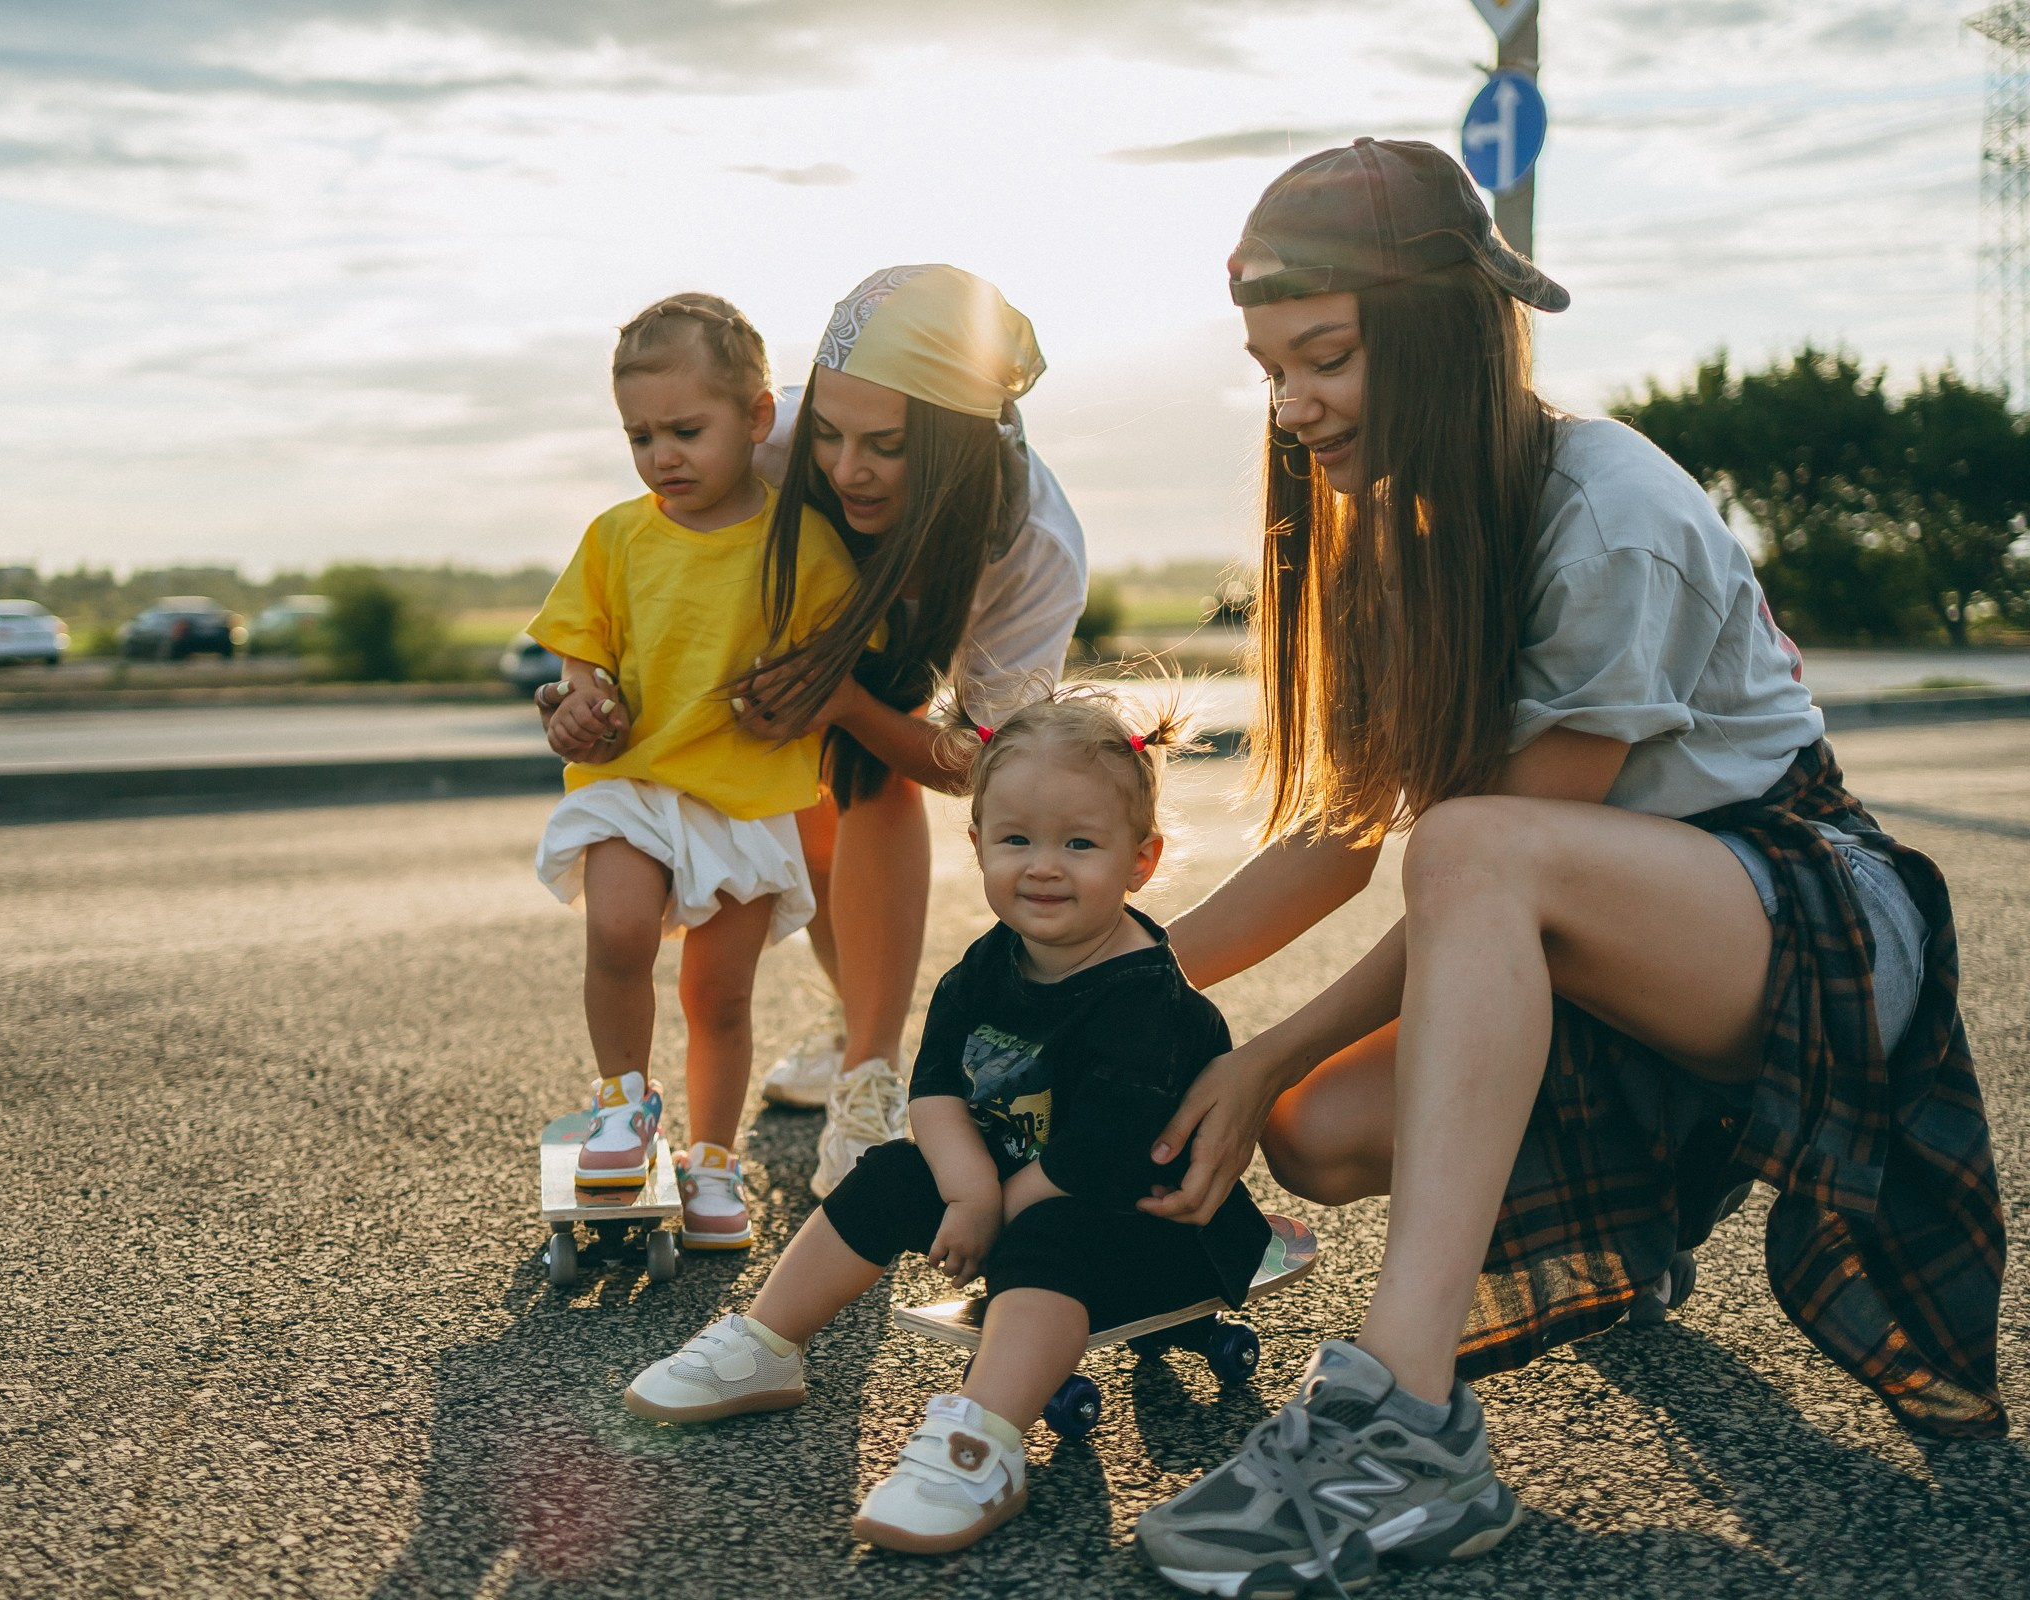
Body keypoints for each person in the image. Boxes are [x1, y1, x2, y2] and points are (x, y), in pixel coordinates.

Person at [1126, 140, 2007, 1597]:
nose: (1293, 409)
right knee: (1312, 1131)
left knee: (1465, 856)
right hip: (1615, 934)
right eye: (1271, 370)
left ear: (1441, 328)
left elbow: (1488, 868)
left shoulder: (1605, 508)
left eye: (1325, 358)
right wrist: (1113, 988)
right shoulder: (1398, 521)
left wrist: (1270, 1031)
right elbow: (1338, 837)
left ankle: (1403, 1422)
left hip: (1806, 915)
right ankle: (1646, 1201)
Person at [620, 689, 1272, 1556]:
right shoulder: (986, 965)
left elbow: (1102, 1159)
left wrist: (991, 1207)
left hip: (1146, 1228)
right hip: (1011, 1191)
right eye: (1017, 840)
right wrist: (967, 1193)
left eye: (1080, 843)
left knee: (1055, 1238)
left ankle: (981, 1444)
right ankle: (768, 1344)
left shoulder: (1146, 1000)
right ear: (976, 845)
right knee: (893, 1171)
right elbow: (932, 1091)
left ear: (1141, 860)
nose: (1043, 865)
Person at [727, 265, 1092, 1203]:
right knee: (808, 825)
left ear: (956, 445)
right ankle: (859, 1026)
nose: (847, 469)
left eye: (884, 446)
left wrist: (847, 703)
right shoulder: (767, 435)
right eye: (831, 436)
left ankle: (874, 1076)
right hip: (795, 651)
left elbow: (985, 767)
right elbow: (657, 527)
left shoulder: (1035, 549)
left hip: (879, 701)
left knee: (869, 775)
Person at [528, 293, 855, 1251]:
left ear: (756, 419)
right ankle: (624, 1107)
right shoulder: (618, 536)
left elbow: (833, 660)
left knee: (721, 994)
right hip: (631, 782)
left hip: (744, 798)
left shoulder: (805, 547)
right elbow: (577, 651)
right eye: (639, 436)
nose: (662, 456)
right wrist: (579, 696)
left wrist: (799, 686)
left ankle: (712, 1158)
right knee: (621, 931)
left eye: (685, 429)